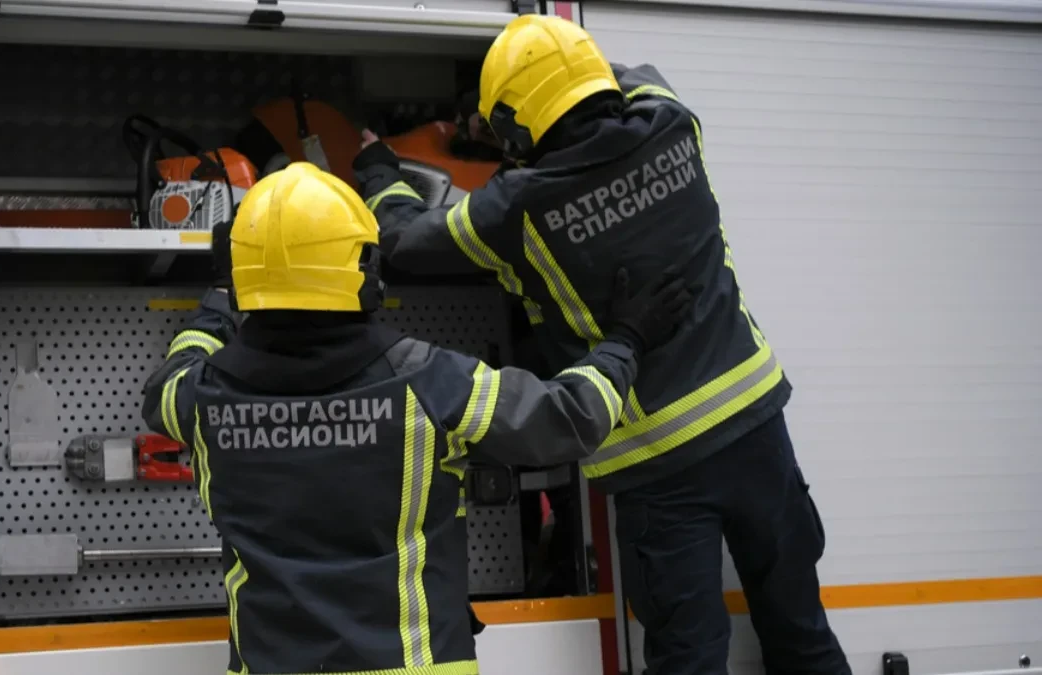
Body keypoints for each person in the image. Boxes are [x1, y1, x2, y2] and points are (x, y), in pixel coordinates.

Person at [350, 14, 851, 675]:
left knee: (689, 655)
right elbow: (630, 79)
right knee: (801, 628)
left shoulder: (515, 207)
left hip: (659, 462)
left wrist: (377, 167)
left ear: (518, 126)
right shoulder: (674, 120)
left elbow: (405, 239)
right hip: (758, 423)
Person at [139, 161, 692, 675]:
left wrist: (216, 303)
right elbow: (573, 417)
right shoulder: (429, 382)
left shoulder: (200, 399)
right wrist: (627, 339)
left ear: (242, 278)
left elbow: (165, 384)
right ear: (363, 269)